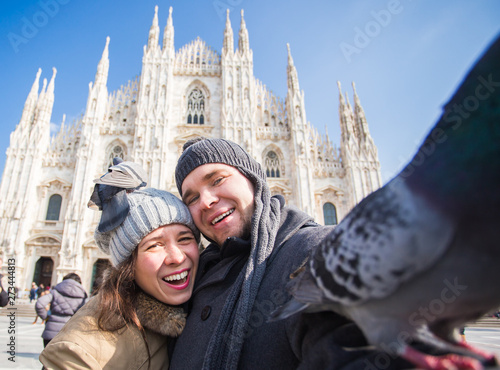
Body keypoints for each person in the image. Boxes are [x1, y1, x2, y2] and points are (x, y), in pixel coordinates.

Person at [169, 137, 415, 369]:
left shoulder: (315, 250)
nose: (206, 201)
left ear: (253, 179)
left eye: (217, 180)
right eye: (192, 198)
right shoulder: (191, 279)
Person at [40, 184, 201, 369]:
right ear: (127, 266)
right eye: (154, 245)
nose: (177, 257)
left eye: (185, 238)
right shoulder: (80, 352)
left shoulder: (193, 304)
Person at [35, 273, 87, 347]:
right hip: (71, 333)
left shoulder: (55, 291)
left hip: (51, 332)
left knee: (48, 358)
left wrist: (46, 317)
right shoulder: (82, 296)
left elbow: (39, 304)